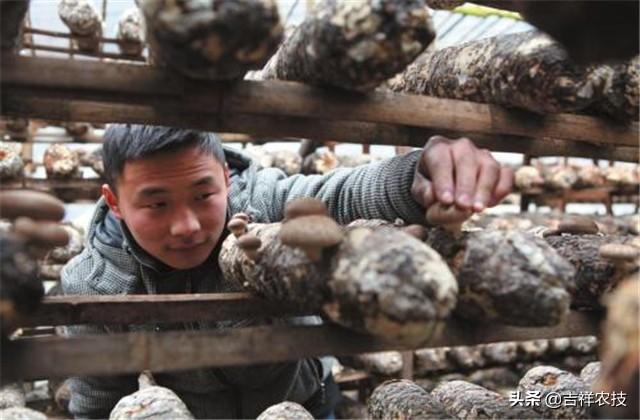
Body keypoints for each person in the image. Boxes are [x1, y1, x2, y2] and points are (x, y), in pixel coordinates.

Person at [61, 124, 513, 418]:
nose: (188, 226)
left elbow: (338, 195)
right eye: (157, 204)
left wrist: (414, 176)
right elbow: (99, 398)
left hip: (307, 405)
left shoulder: (260, 200)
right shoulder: (89, 283)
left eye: (204, 195)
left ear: (225, 178)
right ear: (115, 201)